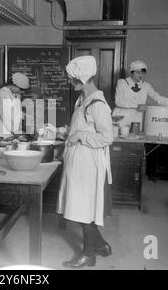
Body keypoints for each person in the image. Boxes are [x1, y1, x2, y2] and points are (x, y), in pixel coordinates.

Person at [57, 56, 113, 268]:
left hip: (88, 163)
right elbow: (82, 127)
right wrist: (67, 132)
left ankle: (88, 254)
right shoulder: (83, 100)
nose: (71, 82)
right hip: (78, 160)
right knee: (81, 206)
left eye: (72, 79)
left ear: (82, 78)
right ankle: (102, 245)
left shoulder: (98, 104)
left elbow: (107, 137)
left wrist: (79, 136)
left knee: (84, 208)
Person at [112, 60, 168, 128]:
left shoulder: (146, 86)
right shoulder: (122, 83)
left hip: (136, 119)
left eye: (143, 73)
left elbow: (157, 97)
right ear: (132, 72)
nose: (141, 75)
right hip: (121, 117)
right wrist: (137, 106)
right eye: (138, 72)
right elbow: (118, 101)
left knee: (135, 137)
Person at [0, 72, 30, 139]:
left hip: (11, 133)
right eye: (20, 89)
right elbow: (5, 116)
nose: (21, 92)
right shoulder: (2, 94)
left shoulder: (15, 94)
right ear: (14, 84)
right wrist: (16, 132)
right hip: (1, 133)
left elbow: (15, 112)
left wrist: (25, 116)